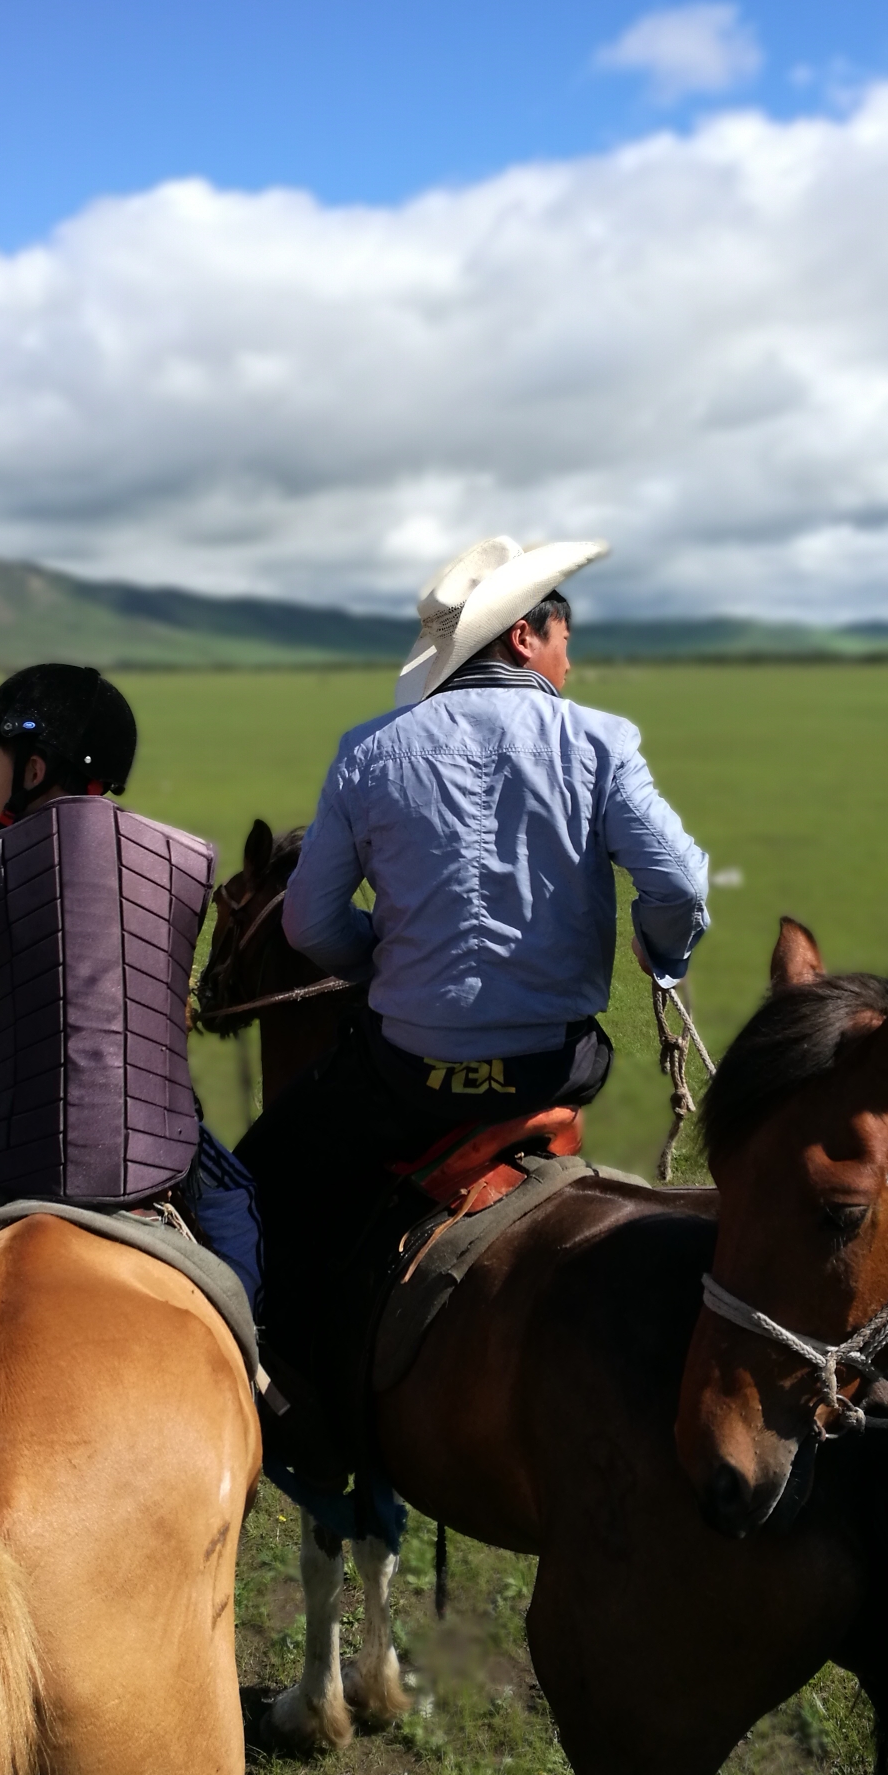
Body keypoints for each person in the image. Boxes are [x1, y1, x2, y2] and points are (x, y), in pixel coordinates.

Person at [238, 534, 710, 1450]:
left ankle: (281, 1387)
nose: (572, 658)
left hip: (409, 1070)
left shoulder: (369, 750)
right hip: (553, 1070)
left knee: (259, 1178)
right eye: (566, 636)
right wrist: (664, 955)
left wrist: (388, 967)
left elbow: (309, 926)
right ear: (528, 636)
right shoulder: (603, 743)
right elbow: (681, 888)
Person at [0, 663, 262, 1316]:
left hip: (2, 1132)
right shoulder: (185, 866)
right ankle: (255, 1358)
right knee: (236, 1208)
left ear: (35, 770)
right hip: (149, 1137)